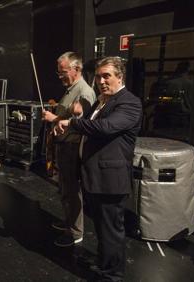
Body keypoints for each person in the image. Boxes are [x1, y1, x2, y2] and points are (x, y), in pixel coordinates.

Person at [56, 56, 142, 281]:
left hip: (111, 180)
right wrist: (79, 116)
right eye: (98, 76)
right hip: (95, 177)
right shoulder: (102, 101)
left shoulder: (129, 102)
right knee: (102, 230)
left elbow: (105, 127)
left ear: (120, 77)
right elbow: (93, 126)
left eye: (107, 76)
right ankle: (103, 263)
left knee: (112, 231)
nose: (102, 81)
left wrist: (72, 123)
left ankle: (112, 274)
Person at [42, 51, 96, 247]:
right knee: (65, 189)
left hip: (73, 148)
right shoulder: (71, 88)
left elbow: (80, 123)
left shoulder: (85, 91)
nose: (60, 76)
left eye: (63, 72)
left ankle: (75, 232)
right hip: (63, 146)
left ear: (77, 69)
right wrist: (54, 112)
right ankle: (69, 222)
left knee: (72, 191)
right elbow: (68, 114)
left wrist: (54, 118)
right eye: (59, 73)